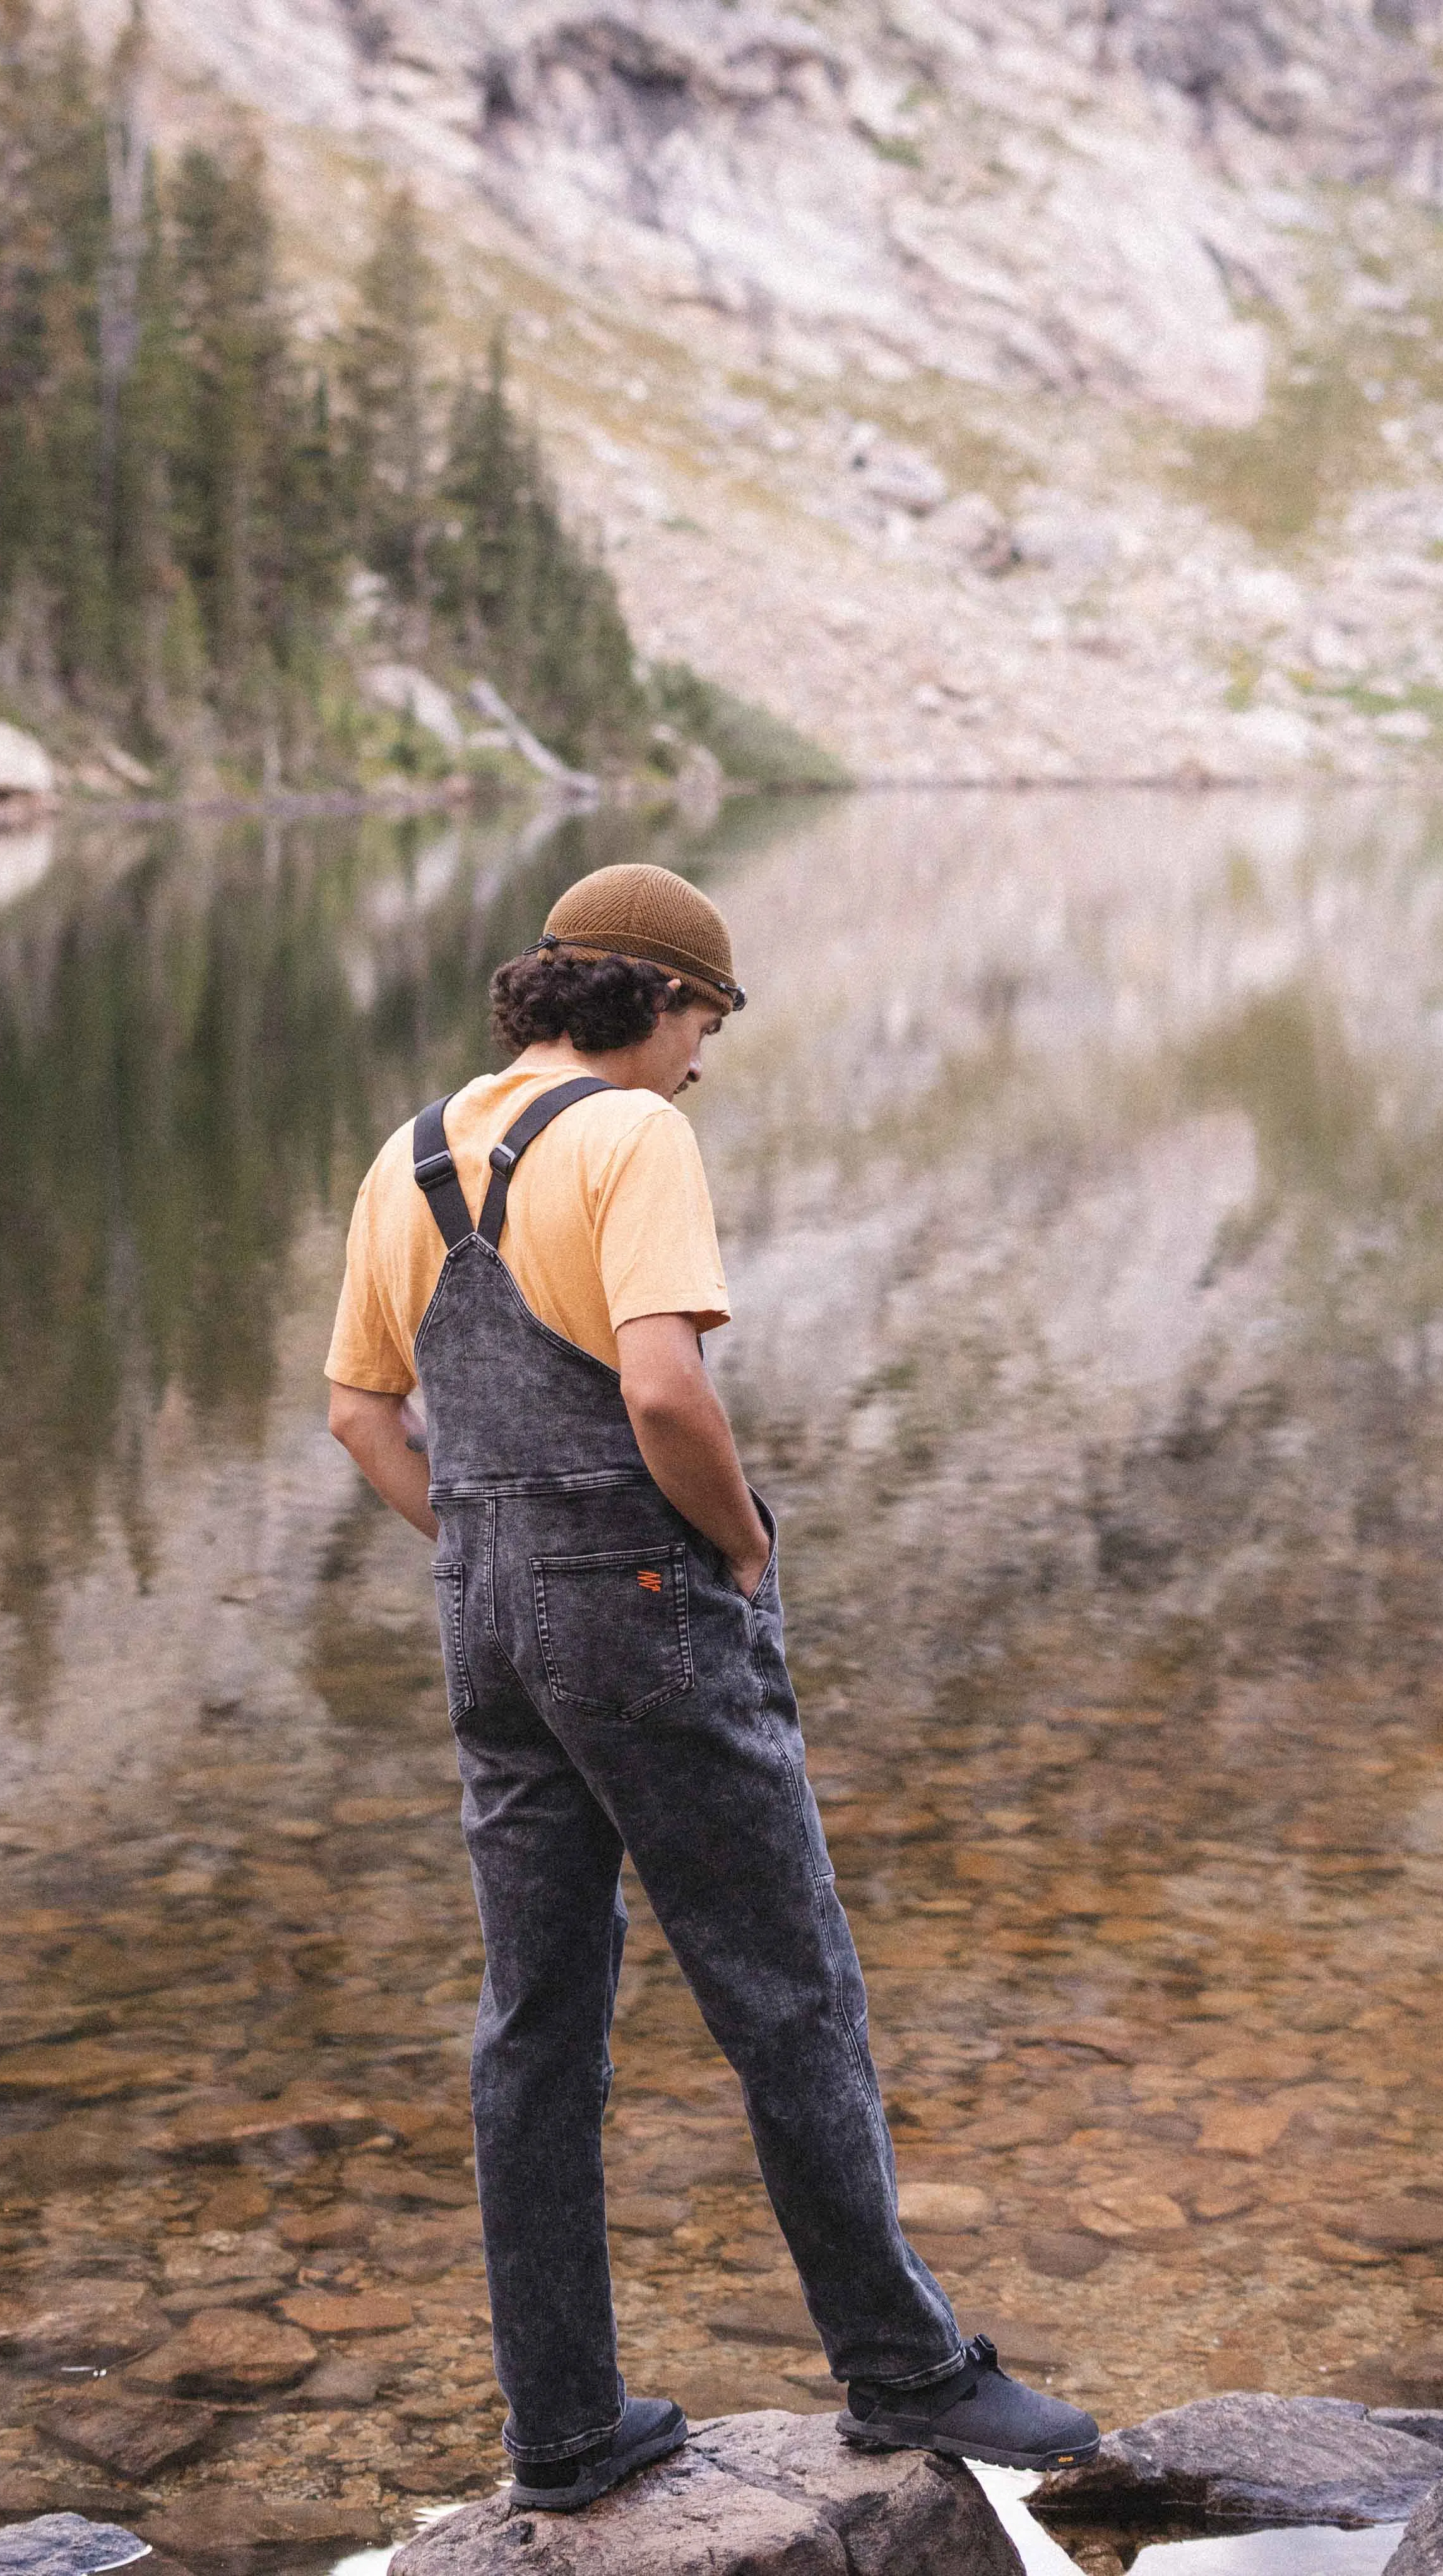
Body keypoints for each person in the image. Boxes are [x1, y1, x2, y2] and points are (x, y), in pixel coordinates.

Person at [326, 862, 1098, 2512]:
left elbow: (361, 1422)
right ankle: (902, 2376)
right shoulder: (631, 1138)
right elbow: (666, 1391)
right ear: (653, 1001)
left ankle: (560, 2430)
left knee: (534, 2026)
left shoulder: (409, 1156)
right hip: (646, 1609)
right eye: (707, 1020)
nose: (705, 1058)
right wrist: (741, 1544)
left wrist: (481, 1556)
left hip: (488, 1629)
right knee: (787, 1993)